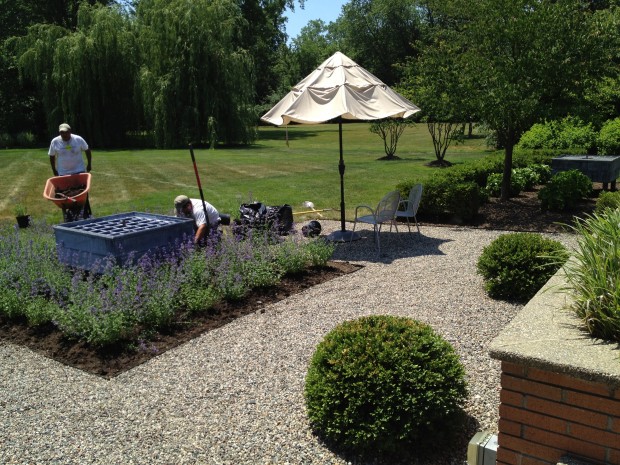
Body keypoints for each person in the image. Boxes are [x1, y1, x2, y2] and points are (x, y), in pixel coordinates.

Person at [48, 123, 92, 219]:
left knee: (82, 195)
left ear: (70, 132)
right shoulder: (55, 141)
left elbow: (87, 150)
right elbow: (51, 156)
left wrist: (89, 164)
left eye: (66, 132)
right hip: (64, 173)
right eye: (62, 133)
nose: (64, 134)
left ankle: (86, 214)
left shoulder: (78, 139)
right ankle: (70, 217)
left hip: (79, 171)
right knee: (65, 196)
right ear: (60, 133)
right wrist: (54, 169)